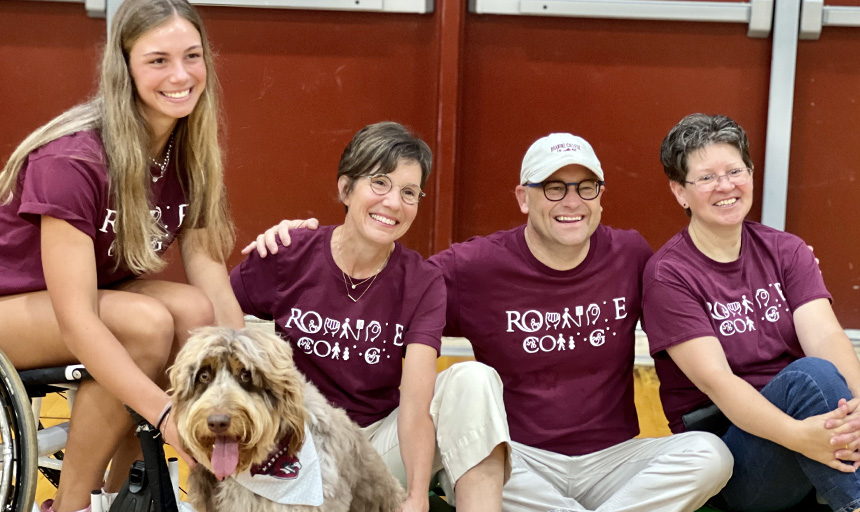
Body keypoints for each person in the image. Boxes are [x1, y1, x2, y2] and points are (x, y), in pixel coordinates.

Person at [248, 132, 733, 512]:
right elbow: (386, 275)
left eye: (585, 187)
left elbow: (695, 296)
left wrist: (765, 266)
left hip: (612, 459)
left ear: (601, 196)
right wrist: (301, 243)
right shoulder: (467, 268)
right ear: (524, 197)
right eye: (554, 187)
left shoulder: (631, 254)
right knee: (468, 451)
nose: (571, 201)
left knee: (711, 456)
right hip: (517, 461)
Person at [0, 1, 244, 511]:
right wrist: (166, 416)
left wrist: (249, 377)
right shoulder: (74, 158)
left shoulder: (189, 152)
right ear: (125, 67)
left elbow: (209, 276)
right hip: (12, 306)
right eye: (158, 60)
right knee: (145, 324)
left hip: (83, 301)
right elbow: (76, 320)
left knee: (195, 315)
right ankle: (71, 504)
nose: (180, 75)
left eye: (192, 56)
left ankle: (122, 495)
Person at [230, 121, 511, 512]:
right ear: (346, 189)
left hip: (374, 450)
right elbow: (215, 317)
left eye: (409, 192)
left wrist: (415, 497)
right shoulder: (290, 253)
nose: (393, 203)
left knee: (474, 378)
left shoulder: (423, 281)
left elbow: (415, 403)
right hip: (295, 446)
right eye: (380, 183)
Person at [642, 113, 860, 512]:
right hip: (734, 457)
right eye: (706, 177)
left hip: (814, 430)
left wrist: (858, 411)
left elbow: (827, 337)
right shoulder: (668, 275)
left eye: (735, 170)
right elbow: (719, 383)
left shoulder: (786, 250)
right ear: (680, 192)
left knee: (825, 377)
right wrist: (798, 434)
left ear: (751, 174)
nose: (726, 185)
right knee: (812, 377)